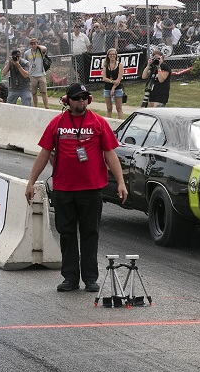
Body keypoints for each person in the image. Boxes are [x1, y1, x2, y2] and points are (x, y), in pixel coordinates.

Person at [24, 83, 127, 293]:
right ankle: (70, 277)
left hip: (91, 190)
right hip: (64, 189)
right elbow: (44, 154)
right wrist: (31, 181)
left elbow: (110, 154)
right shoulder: (57, 124)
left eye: (84, 98)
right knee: (67, 234)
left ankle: (90, 278)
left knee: (90, 234)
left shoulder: (98, 123)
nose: (81, 101)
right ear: (67, 101)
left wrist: (121, 182)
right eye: (77, 98)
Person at [101, 48, 125, 119]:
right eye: (110, 54)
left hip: (117, 88)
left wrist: (113, 88)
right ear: (108, 55)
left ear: (116, 55)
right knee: (109, 108)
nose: (112, 56)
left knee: (119, 108)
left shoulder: (120, 65)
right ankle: (108, 124)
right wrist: (111, 81)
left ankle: (120, 123)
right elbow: (104, 78)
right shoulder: (105, 65)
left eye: (114, 54)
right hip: (107, 88)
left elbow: (119, 79)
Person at [25, 38, 49, 108]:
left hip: (41, 74)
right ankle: (35, 106)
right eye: (31, 44)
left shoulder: (40, 51)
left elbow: (45, 49)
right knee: (34, 92)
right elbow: (26, 62)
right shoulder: (27, 53)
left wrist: (38, 46)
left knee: (44, 92)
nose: (33, 45)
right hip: (32, 75)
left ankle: (46, 106)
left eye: (34, 44)